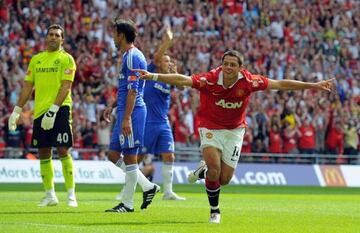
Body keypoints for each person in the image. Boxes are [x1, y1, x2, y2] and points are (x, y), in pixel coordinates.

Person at [133, 50, 334, 223]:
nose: (227, 67)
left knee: (225, 179)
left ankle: (203, 172)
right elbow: (183, 80)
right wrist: (152, 76)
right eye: (225, 64)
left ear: (240, 68)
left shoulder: (249, 81)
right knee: (215, 167)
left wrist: (313, 85)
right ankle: (214, 211)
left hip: (235, 131)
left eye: (232, 65)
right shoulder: (210, 78)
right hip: (210, 126)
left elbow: (280, 83)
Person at [8, 24, 78, 207]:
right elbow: (27, 87)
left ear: (62, 39)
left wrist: (53, 111)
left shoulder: (67, 59)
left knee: (63, 149)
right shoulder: (36, 60)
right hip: (39, 111)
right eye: (51, 34)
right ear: (46, 38)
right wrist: (16, 111)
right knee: (43, 152)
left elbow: (66, 86)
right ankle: (50, 195)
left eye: (57, 35)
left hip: (61, 109)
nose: (54, 37)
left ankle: (71, 195)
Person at [116, 26, 185, 201]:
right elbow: (156, 55)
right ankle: (127, 190)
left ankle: (168, 192)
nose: (168, 62)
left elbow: (182, 86)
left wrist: (174, 72)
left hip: (163, 123)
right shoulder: (151, 70)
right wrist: (168, 41)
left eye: (170, 61)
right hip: (146, 122)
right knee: (135, 158)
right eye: (166, 60)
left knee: (169, 155)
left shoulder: (168, 78)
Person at [103, 18, 159, 213]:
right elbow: (125, 88)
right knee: (112, 154)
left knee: (129, 157)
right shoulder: (127, 56)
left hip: (133, 112)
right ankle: (148, 186)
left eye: (114, 33)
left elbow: (134, 91)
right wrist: (112, 105)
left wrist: (126, 117)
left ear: (121, 35)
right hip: (124, 111)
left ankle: (127, 204)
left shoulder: (133, 56)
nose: (112, 37)